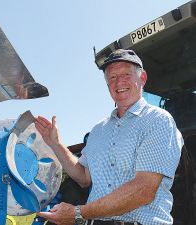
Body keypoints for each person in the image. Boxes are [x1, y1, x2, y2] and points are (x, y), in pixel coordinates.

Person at [34, 49, 183, 225]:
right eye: (112, 77)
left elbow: (143, 190)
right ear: (107, 85)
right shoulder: (98, 130)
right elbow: (84, 178)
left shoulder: (157, 121)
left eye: (126, 74)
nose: (119, 81)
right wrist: (56, 144)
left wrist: (78, 213)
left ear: (142, 78)